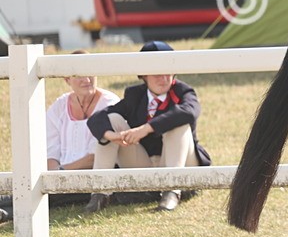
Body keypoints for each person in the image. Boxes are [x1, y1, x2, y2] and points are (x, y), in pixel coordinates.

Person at [84, 41, 211, 213]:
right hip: (145, 163)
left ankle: (172, 191)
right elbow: (98, 118)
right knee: (113, 119)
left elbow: (189, 112)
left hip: (182, 163)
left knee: (178, 123)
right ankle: (100, 194)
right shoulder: (135, 95)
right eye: (156, 72)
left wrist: (145, 128)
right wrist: (111, 136)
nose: (163, 78)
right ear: (143, 74)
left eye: (168, 71)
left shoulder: (184, 91)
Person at [0, 51, 119, 223]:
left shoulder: (110, 103)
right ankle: (5, 211)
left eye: (90, 73)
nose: (86, 79)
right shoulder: (60, 105)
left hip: (92, 174)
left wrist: (60, 173)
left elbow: (95, 158)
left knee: (52, 193)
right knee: (47, 189)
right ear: (67, 80)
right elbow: (50, 151)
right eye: (78, 75)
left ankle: (6, 211)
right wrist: (56, 174)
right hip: (59, 174)